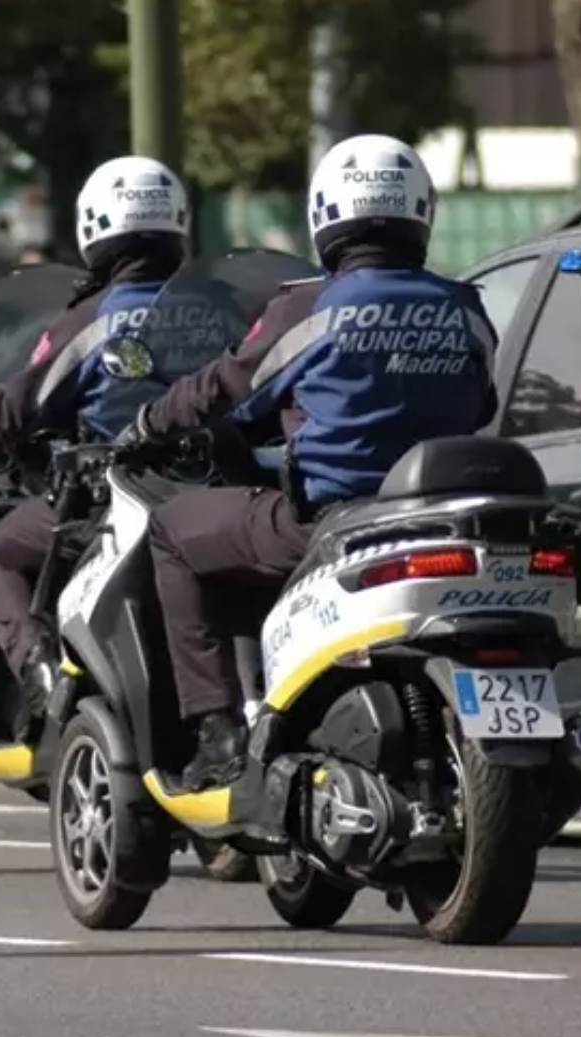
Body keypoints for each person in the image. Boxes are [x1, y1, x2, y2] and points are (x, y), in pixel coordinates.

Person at [128, 133, 500, 832]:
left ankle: (215, 734)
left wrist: (152, 419)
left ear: (325, 215)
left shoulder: (307, 308)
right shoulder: (467, 308)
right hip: (442, 520)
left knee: (173, 533)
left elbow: (229, 388)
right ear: (421, 211)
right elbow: (480, 406)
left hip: (331, 521)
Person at [0, 155, 191, 736]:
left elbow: (19, 406)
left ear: (96, 227)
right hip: (201, 492)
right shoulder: (211, 310)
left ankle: (36, 666)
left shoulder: (94, 318)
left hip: (106, 501)